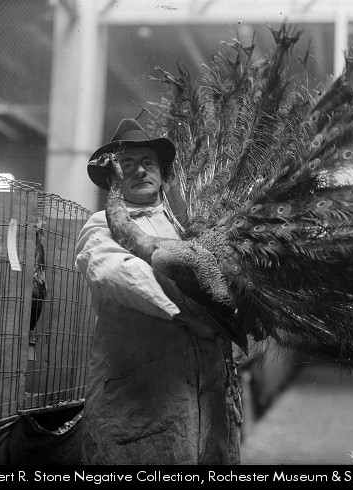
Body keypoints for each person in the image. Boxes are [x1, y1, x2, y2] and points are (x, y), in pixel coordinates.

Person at [74, 118, 243, 465]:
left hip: (209, 396)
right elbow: (117, 273)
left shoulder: (186, 225)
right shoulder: (100, 224)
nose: (139, 171)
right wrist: (191, 312)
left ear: (162, 174)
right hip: (143, 397)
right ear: (114, 176)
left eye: (148, 163)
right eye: (127, 165)